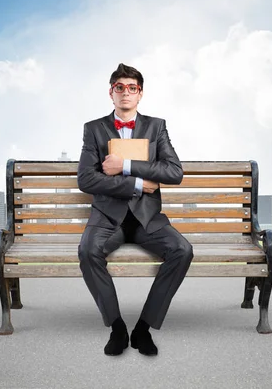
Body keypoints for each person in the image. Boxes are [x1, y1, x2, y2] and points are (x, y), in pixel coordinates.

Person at [77, 63, 194, 356]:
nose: (125, 93)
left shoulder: (157, 126)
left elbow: (174, 172)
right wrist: (139, 184)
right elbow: (86, 178)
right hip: (108, 218)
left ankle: (143, 328)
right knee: (87, 250)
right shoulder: (93, 129)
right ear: (111, 93)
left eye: (132, 88)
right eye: (120, 88)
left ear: (140, 94)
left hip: (147, 219)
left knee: (182, 250)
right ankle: (117, 327)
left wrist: (125, 166)